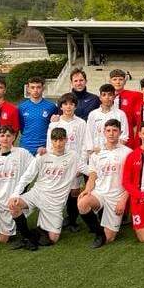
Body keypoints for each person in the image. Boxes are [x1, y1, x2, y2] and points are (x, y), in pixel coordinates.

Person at [7, 128, 89, 251]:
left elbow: (90, 171)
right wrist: (15, 194)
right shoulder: (42, 156)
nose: (58, 143)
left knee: (53, 239)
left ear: (66, 140)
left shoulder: (73, 156)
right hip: (37, 193)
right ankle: (27, 238)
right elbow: (27, 176)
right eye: (55, 140)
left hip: (55, 202)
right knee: (14, 205)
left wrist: (90, 186)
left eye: (61, 140)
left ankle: (35, 233)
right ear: (51, 141)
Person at [76, 119, 132, 248]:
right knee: (82, 203)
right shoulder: (97, 153)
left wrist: (123, 200)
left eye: (115, 130)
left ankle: (104, 224)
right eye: (108, 131)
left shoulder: (128, 153)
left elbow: (133, 180)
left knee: (109, 238)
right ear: (103, 132)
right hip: (100, 193)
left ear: (120, 132)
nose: (111, 134)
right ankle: (98, 233)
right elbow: (93, 175)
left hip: (116, 197)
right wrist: (87, 189)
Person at [48, 93, 91, 232]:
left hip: (75, 164)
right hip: (58, 164)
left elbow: (85, 145)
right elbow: (49, 144)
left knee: (74, 192)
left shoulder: (81, 123)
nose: (68, 107)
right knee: (59, 192)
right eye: (65, 104)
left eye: (71, 104)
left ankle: (72, 220)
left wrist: (81, 164)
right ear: (61, 106)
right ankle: (55, 219)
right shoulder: (55, 123)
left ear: (75, 106)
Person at [18, 76, 57, 154]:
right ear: (28, 89)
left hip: (44, 147)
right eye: (32, 87)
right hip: (26, 147)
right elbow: (22, 128)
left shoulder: (51, 106)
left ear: (43, 88)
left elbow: (54, 126)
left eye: (38, 87)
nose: (35, 90)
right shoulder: (22, 107)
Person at [87, 84, 130, 151]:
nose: (107, 97)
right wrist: (92, 150)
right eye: (104, 95)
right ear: (100, 97)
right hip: (97, 153)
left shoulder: (120, 114)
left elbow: (124, 137)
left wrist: (113, 150)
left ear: (114, 97)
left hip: (115, 153)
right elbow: (88, 135)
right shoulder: (93, 114)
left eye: (110, 95)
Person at [110, 69, 144, 148]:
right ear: (110, 81)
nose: (118, 82)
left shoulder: (134, 95)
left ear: (125, 81)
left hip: (128, 138)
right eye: (115, 79)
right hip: (110, 136)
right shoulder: (105, 97)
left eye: (120, 79)